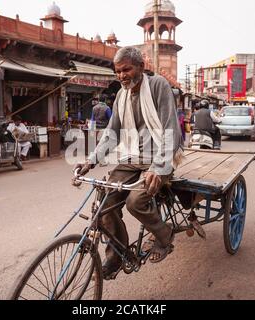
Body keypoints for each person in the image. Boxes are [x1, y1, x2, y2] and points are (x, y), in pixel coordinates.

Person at [73, 46, 184, 280]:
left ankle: (165, 236)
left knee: (136, 201)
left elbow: (170, 130)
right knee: (104, 204)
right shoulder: (121, 95)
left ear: (141, 67)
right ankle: (118, 255)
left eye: (126, 69)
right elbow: (111, 133)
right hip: (132, 157)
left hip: (159, 158)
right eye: (118, 72)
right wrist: (91, 161)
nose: (122, 75)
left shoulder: (158, 86)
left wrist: (158, 167)